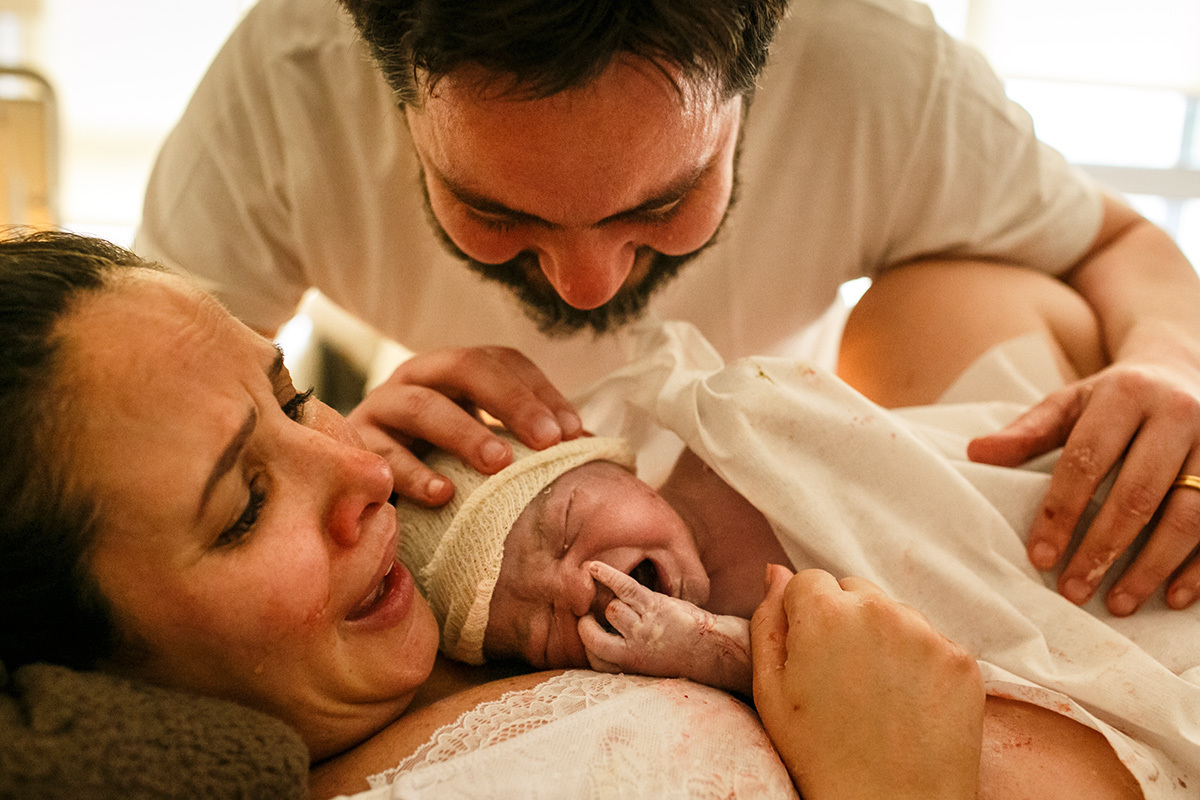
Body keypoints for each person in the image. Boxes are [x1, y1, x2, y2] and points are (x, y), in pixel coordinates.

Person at [135, 0, 1200, 619]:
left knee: (986, 297)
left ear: (759, 76)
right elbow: (144, 414)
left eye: (662, 201)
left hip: (797, 454)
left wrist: (1176, 362)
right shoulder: (284, 91)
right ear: (394, 95)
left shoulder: (879, 70)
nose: (585, 285)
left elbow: (1117, 243)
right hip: (491, 478)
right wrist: (335, 450)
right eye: (492, 210)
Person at [0, 228, 1149, 799]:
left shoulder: (418, 566)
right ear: (86, 672)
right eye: (246, 504)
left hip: (1090, 584)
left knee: (975, 292)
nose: (362, 473)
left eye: (297, 391)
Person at [393, 262, 1200, 796]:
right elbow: (825, 672)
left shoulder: (730, 438)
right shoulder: (657, 661)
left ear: (617, 460)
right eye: (538, 631)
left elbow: (898, 475)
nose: (576, 587)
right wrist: (711, 650)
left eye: (566, 524)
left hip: (1032, 538)